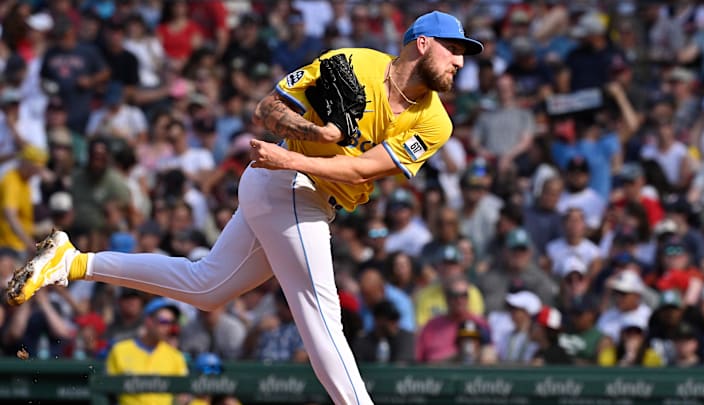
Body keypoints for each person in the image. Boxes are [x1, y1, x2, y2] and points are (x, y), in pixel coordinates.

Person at [7, 10, 483, 404]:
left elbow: (363, 171)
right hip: (289, 187)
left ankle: (74, 262)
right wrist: (311, 134)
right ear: (422, 43)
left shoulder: (436, 121)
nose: (461, 62)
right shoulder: (353, 63)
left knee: (207, 287)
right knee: (320, 310)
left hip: (293, 181)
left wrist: (295, 152)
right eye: (454, 49)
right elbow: (269, 107)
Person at [105, 298, 188, 405]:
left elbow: (183, 395)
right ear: (149, 321)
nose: (167, 327)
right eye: (163, 322)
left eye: (171, 323)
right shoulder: (119, 350)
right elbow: (107, 391)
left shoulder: (175, 356)